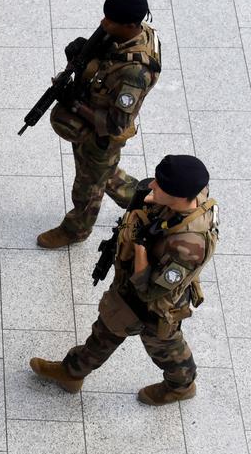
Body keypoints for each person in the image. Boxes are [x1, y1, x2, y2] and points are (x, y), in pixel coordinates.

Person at [30, 155, 218, 405]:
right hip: (140, 287)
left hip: (151, 305)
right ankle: (72, 372)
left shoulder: (187, 246)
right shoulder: (194, 192)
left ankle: (181, 386)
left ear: (180, 197)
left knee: (161, 344)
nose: (152, 186)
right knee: (110, 333)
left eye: (160, 186)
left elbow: (151, 291)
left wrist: (140, 249)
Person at [38, 0, 162, 248]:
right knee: (103, 172)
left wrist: (73, 104)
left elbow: (116, 123)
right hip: (94, 117)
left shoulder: (135, 73)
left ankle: (76, 230)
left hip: (102, 133)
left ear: (129, 25)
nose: (103, 24)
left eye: (110, 21)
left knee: (88, 185)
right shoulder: (135, 32)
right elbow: (108, 60)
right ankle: (147, 200)